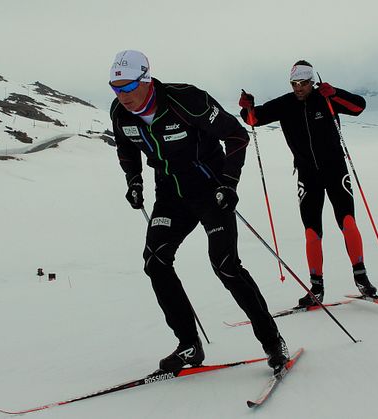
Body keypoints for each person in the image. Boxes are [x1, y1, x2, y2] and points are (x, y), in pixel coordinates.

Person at [108, 50, 288, 373]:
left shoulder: (186, 99)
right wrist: (134, 181)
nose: (122, 96)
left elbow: (236, 135)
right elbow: (126, 147)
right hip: (170, 194)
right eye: (115, 88)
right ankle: (189, 345)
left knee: (225, 265)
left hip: (211, 189)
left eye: (128, 87)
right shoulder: (120, 114)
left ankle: (273, 341)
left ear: (146, 79)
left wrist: (229, 183)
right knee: (156, 262)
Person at [238, 60, 378, 308]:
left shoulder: (325, 97)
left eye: (303, 83)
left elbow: (359, 107)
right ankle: (317, 288)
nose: (298, 88)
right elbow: (253, 119)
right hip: (307, 174)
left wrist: (335, 93)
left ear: (312, 82)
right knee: (312, 232)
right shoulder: (285, 104)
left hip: (335, 170)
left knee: (347, 222)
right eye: (294, 84)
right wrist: (246, 106)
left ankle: (361, 278)